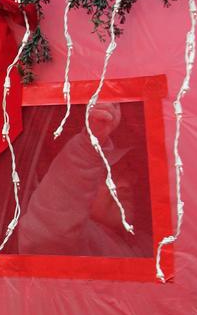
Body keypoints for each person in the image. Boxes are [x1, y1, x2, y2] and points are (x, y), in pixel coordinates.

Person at [16, 101, 151, 258]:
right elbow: (50, 233)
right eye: (109, 175)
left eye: (128, 174)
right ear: (81, 188)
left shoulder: (147, 244)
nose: (126, 184)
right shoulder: (79, 245)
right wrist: (90, 143)